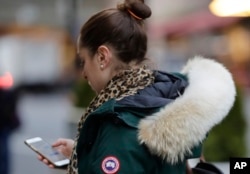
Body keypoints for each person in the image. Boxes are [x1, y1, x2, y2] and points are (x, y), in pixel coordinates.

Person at [38, 0, 236, 173]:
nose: (84, 72)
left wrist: (104, 150)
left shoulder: (119, 123)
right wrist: (86, 152)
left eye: (84, 60)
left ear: (102, 57)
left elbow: (126, 151)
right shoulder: (168, 96)